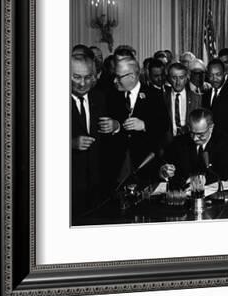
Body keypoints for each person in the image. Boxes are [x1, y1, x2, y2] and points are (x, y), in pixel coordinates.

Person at [105, 57, 169, 189]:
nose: (115, 80)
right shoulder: (111, 96)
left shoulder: (154, 95)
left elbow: (164, 125)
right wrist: (115, 126)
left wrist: (144, 125)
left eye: (118, 77)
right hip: (118, 166)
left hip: (146, 164)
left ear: (133, 76)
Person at [70, 54, 112, 220]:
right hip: (68, 185)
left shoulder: (100, 97)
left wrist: (114, 125)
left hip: (97, 184)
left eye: (87, 77)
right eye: (76, 77)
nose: (82, 83)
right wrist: (69, 144)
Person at [159, 108, 228, 187]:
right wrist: (164, 172)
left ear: (211, 128)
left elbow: (223, 174)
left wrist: (202, 179)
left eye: (200, 135)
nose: (195, 138)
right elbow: (165, 165)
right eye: (192, 133)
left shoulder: (222, 141)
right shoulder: (179, 142)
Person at [163, 62, 202, 144]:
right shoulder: (162, 98)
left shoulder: (197, 99)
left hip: (190, 144)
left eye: (181, 77)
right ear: (169, 79)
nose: (178, 82)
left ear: (186, 78)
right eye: (174, 78)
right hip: (168, 145)